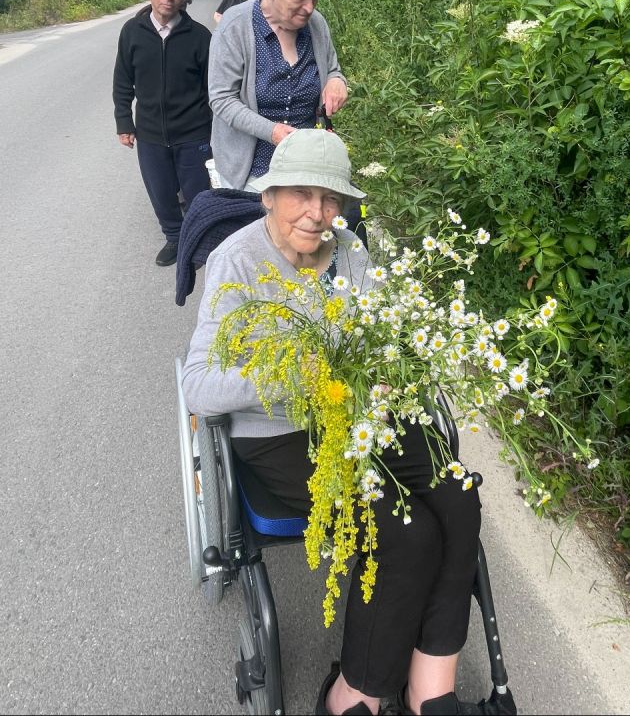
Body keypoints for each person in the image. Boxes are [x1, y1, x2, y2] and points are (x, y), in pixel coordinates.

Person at [182, 129, 483, 716]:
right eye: (301, 194)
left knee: (458, 496)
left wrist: (393, 361)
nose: (317, 214)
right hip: (281, 432)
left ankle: (430, 684)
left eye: (330, 199)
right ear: (269, 195)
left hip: (361, 415)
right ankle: (353, 694)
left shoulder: (350, 251)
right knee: (404, 533)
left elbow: (377, 333)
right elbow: (199, 386)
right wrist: (288, 376)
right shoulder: (237, 261)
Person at [208, 0, 348, 193]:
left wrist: (337, 81)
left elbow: (332, 69)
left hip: (304, 166)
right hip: (251, 173)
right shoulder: (235, 25)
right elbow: (222, 99)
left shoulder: (317, 25)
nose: (309, 7)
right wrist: (272, 131)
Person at [113, 0, 213, 267]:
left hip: (194, 132)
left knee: (198, 192)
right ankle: (174, 237)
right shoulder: (132, 32)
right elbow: (123, 80)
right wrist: (123, 122)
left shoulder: (200, 37)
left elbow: (213, 89)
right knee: (161, 191)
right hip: (150, 132)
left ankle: (196, 239)